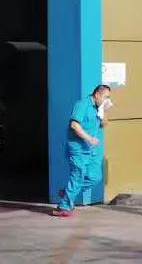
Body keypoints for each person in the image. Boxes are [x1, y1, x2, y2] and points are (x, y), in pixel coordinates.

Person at [52, 85, 112, 217]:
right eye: (106, 97)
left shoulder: (98, 108)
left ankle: (68, 193)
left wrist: (104, 110)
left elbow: (104, 125)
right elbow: (74, 125)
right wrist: (89, 138)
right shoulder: (82, 104)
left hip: (91, 150)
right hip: (78, 148)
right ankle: (63, 207)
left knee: (95, 177)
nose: (107, 100)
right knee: (78, 175)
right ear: (97, 94)